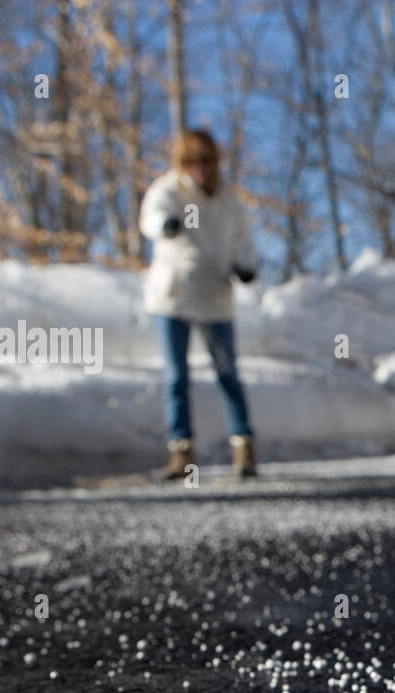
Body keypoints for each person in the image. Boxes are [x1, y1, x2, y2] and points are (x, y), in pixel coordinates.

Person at [139, 129, 258, 479]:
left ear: (214, 162)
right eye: (190, 162)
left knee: (227, 374)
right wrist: (166, 225)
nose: (199, 169)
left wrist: (246, 264)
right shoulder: (169, 190)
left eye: (205, 161)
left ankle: (244, 449)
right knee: (176, 376)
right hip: (172, 296)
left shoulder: (229, 199)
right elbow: (151, 216)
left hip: (215, 296)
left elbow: (243, 237)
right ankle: (181, 454)